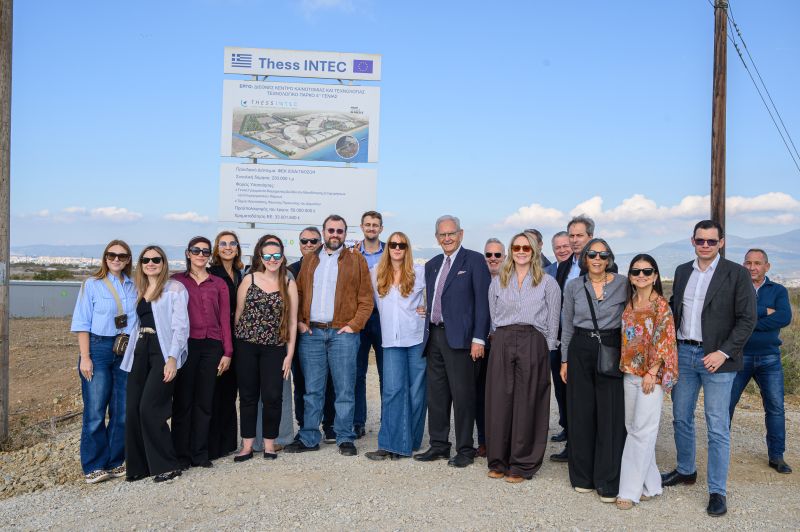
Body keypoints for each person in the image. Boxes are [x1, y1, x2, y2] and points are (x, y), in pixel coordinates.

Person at [661, 220, 756, 517]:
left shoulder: (737, 273)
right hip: (684, 353)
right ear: (692, 241)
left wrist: (723, 352)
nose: (705, 245)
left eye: (711, 241)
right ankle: (686, 470)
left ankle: (717, 491)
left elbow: (747, 319)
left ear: (721, 243)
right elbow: (675, 309)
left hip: (718, 359)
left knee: (717, 426)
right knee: (681, 417)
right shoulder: (682, 271)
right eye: (700, 240)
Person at [284, 214, 374, 456]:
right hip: (312, 333)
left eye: (339, 231)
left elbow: (366, 298)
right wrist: (300, 322)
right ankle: (309, 437)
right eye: (331, 230)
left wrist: (355, 325)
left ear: (345, 233)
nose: (335, 234)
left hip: (343, 334)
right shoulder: (310, 259)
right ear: (324, 232)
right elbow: (298, 293)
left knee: (344, 389)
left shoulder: (356, 260)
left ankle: (345, 437)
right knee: (312, 390)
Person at [414, 215, 490, 468]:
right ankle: (439, 445)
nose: (447, 238)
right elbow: (436, 298)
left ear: (461, 234)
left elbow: (483, 303)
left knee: (463, 396)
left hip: (462, 340)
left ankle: (465, 449)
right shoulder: (432, 264)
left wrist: (479, 338)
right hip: (434, 336)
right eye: (442, 234)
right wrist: (427, 311)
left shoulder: (475, 261)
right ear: (437, 238)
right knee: (436, 395)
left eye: (451, 233)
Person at [486, 232, 560, 482]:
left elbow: (553, 321)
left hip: (533, 340)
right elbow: (493, 316)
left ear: (534, 251)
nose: (520, 252)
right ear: (511, 251)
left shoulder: (548, 283)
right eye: (516, 247)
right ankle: (498, 460)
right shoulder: (498, 281)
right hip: (503, 339)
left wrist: (545, 351)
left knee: (528, 402)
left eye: (526, 248)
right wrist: (499, 341)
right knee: (499, 400)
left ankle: (522, 464)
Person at [560, 238, 627, 503]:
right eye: (592, 254)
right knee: (581, 413)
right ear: (584, 258)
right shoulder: (574, 286)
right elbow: (567, 324)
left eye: (602, 254)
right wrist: (564, 360)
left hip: (611, 348)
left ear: (609, 258)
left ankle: (608, 480)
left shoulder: (623, 284)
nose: (597, 259)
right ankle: (582, 477)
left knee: (610, 414)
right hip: (580, 348)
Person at [71, 240, 137, 484]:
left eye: (122, 256)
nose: (116, 259)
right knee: (95, 410)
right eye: (112, 255)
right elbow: (82, 322)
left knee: (122, 410)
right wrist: (85, 357)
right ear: (105, 257)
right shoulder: (92, 284)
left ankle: (115, 460)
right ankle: (94, 465)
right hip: (98, 348)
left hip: (125, 349)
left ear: (128, 259)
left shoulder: (134, 286)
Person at [615, 254, 678, 509]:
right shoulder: (629, 303)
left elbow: (666, 341)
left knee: (643, 430)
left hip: (651, 376)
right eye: (636, 271)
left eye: (647, 271)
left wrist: (652, 372)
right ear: (630, 277)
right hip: (629, 372)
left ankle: (629, 491)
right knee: (634, 428)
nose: (641, 275)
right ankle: (651, 485)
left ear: (655, 276)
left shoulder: (661, 306)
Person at [121, 246, 189, 483]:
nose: (150, 263)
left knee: (150, 408)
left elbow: (181, 327)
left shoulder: (174, 289)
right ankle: (139, 467)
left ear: (163, 263)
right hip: (140, 350)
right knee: (132, 409)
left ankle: (167, 465)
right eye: (146, 259)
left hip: (163, 350)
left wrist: (172, 358)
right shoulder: (139, 289)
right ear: (140, 264)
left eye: (156, 259)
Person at [233, 235, 298, 462]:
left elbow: (292, 322)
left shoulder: (288, 283)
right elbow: (238, 314)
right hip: (246, 346)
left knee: (272, 396)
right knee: (248, 396)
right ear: (261, 257)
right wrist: (237, 346)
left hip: (275, 348)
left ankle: (270, 444)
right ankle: (247, 445)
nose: (272, 259)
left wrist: (289, 354)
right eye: (268, 256)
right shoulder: (249, 279)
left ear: (282, 257)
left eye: (276, 255)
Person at [171, 236, 233, 469]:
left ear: (209, 255)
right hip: (186, 345)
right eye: (196, 250)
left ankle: (199, 453)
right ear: (188, 253)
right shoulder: (176, 281)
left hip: (212, 346)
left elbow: (225, 320)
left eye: (205, 251)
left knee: (205, 402)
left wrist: (227, 352)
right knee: (183, 401)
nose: (200, 255)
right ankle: (181, 455)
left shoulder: (219, 283)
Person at [729, 249, 793, 474]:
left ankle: (777, 456)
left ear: (767, 266)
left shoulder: (778, 290)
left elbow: (784, 317)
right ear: (743, 265)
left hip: (769, 358)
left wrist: (747, 322)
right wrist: (765, 311)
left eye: (757, 263)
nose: (752, 267)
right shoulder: (736, 289)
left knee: (775, 408)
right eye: (748, 263)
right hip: (739, 357)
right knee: (726, 406)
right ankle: (720, 452)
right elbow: (729, 317)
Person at [365, 232, 427, 460]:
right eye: (393, 244)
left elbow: (440, 294)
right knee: (392, 391)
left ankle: (410, 441)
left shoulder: (419, 272)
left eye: (402, 245)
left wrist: (428, 308)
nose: (397, 248)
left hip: (416, 338)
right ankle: (389, 444)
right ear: (388, 248)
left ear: (407, 248)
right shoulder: (375, 273)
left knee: (417, 392)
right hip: (391, 340)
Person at [551, 215, 596, 462]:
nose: (575, 240)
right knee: (564, 392)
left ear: (590, 236)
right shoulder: (564, 266)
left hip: (589, 340)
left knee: (586, 396)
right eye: (572, 235)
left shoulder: (600, 263)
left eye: (580, 235)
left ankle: (589, 446)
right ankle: (571, 442)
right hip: (563, 339)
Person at [288, 227, 336, 443]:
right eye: (304, 241)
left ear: (320, 243)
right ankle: (304, 425)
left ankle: (330, 424)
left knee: (330, 382)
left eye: (313, 241)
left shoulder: (329, 265)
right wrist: (298, 322)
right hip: (299, 335)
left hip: (325, 332)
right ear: (299, 244)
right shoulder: (291, 270)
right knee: (302, 383)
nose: (308, 244)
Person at [206, 231, 243, 460]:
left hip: (238, 339)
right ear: (217, 248)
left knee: (230, 392)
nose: (228, 247)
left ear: (237, 248)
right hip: (217, 338)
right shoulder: (211, 274)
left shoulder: (240, 274)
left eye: (232, 243)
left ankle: (228, 442)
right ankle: (213, 445)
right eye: (223, 244)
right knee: (214, 391)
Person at [354, 210, 386, 439]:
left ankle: (388, 422)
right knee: (357, 373)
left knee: (386, 373)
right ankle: (358, 422)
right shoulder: (353, 253)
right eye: (368, 224)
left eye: (375, 225)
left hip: (384, 318)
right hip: (360, 318)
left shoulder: (391, 252)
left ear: (381, 228)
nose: (371, 228)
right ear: (362, 227)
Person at [476, 237, 505, 457]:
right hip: (481, 346)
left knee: (503, 395)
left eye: (497, 255)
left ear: (504, 257)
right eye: (488, 254)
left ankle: (503, 440)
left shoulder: (511, 281)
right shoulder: (478, 279)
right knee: (481, 394)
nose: (493, 258)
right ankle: (484, 440)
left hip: (503, 345)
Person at [546, 230, 572, 445]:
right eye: (558, 247)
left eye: (566, 246)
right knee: (559, 384)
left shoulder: (580, 269)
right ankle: (565, 425)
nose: (562, 250)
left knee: (573, 386)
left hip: (575, 335)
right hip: (553, 336)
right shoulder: (546, 272)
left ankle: (575, 429)